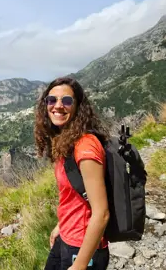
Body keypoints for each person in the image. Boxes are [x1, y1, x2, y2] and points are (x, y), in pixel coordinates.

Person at [34, 76, 110, 270]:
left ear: (78, 107)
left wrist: (80, 265)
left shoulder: (86, 146)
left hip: (83, 246)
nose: (58, 106)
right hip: (67, 236)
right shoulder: (67, 140)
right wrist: (62, 225)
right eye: (52, 100)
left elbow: (101, 213)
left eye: (66, 100)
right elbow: (75, 194)